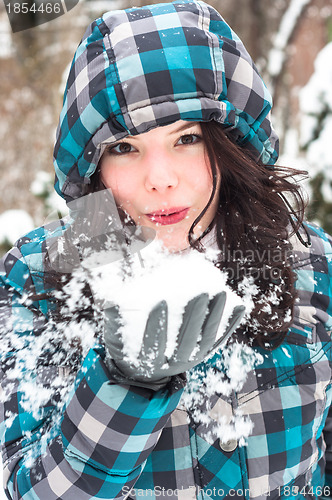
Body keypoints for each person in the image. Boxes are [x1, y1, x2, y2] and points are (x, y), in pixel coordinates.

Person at [1, 1, 332, 499]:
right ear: (93, 166)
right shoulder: (41, 276)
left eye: (188, 138)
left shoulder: (312, 264)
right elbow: (30, 490)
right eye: (125, 148)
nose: (160, 180)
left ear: (231, 144)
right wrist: (124, 385)